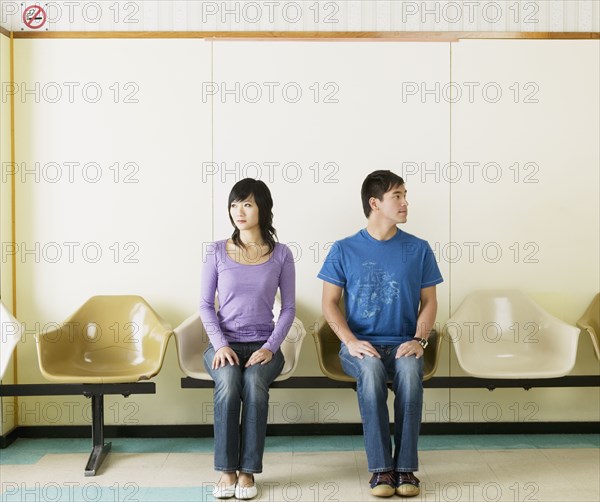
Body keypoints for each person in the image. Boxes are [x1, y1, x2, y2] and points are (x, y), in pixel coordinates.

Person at [318, 170, 442, 498]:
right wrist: (350, 341)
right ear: (375, 203)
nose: (405, 202)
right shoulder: (344, 249)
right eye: (397, 196)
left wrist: (419, 340)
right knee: (371, 372)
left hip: (405, 343)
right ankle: (380, 469)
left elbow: (429, 302)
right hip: (359, 346)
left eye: (405, 195)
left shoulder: (419, 249)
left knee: (411, 374)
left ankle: (405, 468)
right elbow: (329, 304)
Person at [200, 178, 296, 500]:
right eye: (234, 204)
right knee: (228, 382)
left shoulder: (282, 255)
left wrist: (270, 347)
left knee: (254, 383)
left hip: (263, 347)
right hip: (222, 345)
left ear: (263, 208)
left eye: (247, 204)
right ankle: (227, 471)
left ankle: (248, 472)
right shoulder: (216, 251)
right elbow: (204, 305)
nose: (238, 211)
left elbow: (289, 309)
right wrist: (220, 344)